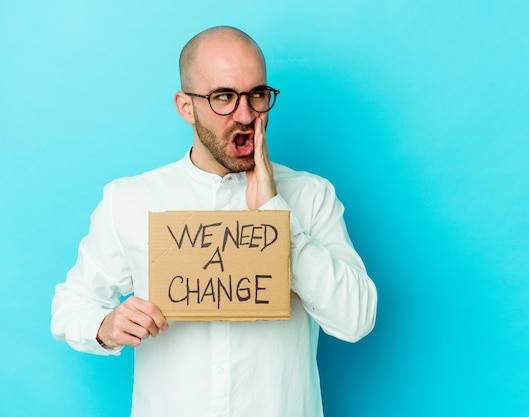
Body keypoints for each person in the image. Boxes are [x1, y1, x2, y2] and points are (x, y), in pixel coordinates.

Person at [51, 26, 377, 417]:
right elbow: (70, 305)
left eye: (257, 95)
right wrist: (106, 325)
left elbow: (356, 319)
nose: (245, 115)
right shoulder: (130, 200)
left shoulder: (311, 196)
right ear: (186, 106)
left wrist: (275, 215)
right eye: (223, 97)